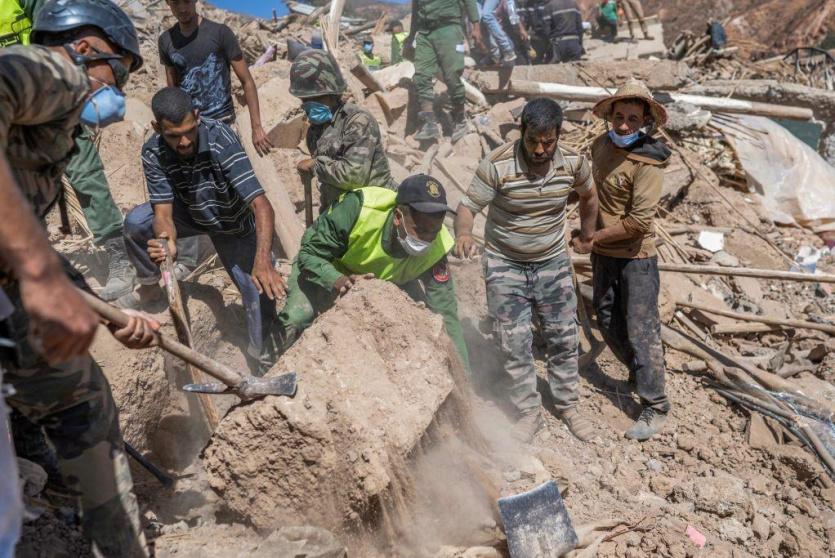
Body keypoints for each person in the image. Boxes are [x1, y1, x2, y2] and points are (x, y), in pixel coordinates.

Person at [0, 1, 165, 554]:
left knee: (72, 397)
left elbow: (27, 233)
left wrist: (101, 308)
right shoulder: (57, 71)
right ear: (88, 45)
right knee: (80, 404)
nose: (116, 88)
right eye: (118, 71)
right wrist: (41, 273)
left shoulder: (48, 128)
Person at [454, 98, 599, 442]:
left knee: (563, 336)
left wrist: (588, 236)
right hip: (506, 263)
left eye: (547, 142)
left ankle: (568, 406)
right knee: (513, 341)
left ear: (558, 136)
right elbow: (467, 207)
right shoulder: (498, 164)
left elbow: (590, 197)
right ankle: (528, 412)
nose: (539, 149)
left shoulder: (573, 164)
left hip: (552, 261)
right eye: (533, 140)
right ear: (522, 132)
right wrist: (462, 233)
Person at [117, 87, 285, 373]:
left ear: (197, 116)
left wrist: (262, 262)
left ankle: (262, 361)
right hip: (190, 214)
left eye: (189, 131)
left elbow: (262, 206)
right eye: (173, 135)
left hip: (232, 225)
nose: (184, 142)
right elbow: (163, 212)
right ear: (157, 128)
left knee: (257, 294)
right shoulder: (153, 152)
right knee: (135, 223)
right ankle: (148, 286)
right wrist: (167, 240)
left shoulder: (221, 140)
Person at [0, 0, 137, 301]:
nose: (120, 92)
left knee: (84, 173)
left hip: (47, 101)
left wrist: (90, 305)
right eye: (119, 76)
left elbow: (52, 22)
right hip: (30, 96)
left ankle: (117, 253)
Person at [275, 175, 469, 368]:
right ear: (398, 218)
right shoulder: (359, 208)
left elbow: (446, 313)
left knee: (422, 327)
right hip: (327, 270)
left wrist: (463, 377)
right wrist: (338, 280)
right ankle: (266, 369)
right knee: (296, 318)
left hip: (387, 284)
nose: (427, 240)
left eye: (433, 233)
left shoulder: (439, 246)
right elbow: (309, 254)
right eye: (421, 231)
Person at [574, 79, 671, 441]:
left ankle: (655, 405)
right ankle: (638, 370)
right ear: (609, 118)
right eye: (619, 117)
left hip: (636, 258)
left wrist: (589, 238)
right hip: (603, 253)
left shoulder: (649, 160)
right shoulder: (601, 146)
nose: (625, 125)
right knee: (606, 315)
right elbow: (589, 190)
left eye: (633, 118)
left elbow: (639, 221)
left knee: (641, 329)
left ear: (645, 121)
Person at [160, 0, 273, 156]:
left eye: (186, 1)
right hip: (192, 131)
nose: (182, 8)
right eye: (175, 3)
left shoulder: (220, 33)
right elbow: (172, 92)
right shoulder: (166, 41)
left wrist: (256, 127)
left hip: (225, 124)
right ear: (167, 2)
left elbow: (247, 81)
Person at [290, 50, 396, 211]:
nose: (309, 104)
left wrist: (315, 166)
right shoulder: (315, 131)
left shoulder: (357, 121)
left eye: (316, 98)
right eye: (305, 100)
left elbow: (354, 177)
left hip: (376, 209)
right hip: (343, 210)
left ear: (333, 94)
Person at [403, 0, 483, 142]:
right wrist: (411, 36)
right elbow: (416, 10)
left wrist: (476, 26)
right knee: (421, 75)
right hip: (425, 33)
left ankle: (460, 120)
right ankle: (429, 124)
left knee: (452, 75)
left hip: (449, 28)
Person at [479, 0, 525, 65]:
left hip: (505, 35)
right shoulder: (484, 5)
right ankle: (494, 56)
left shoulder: (506, 2)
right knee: (482, 21)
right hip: (493, 39)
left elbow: (513, 16)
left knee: (487, 17)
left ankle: (506, 52)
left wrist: (521, 29)